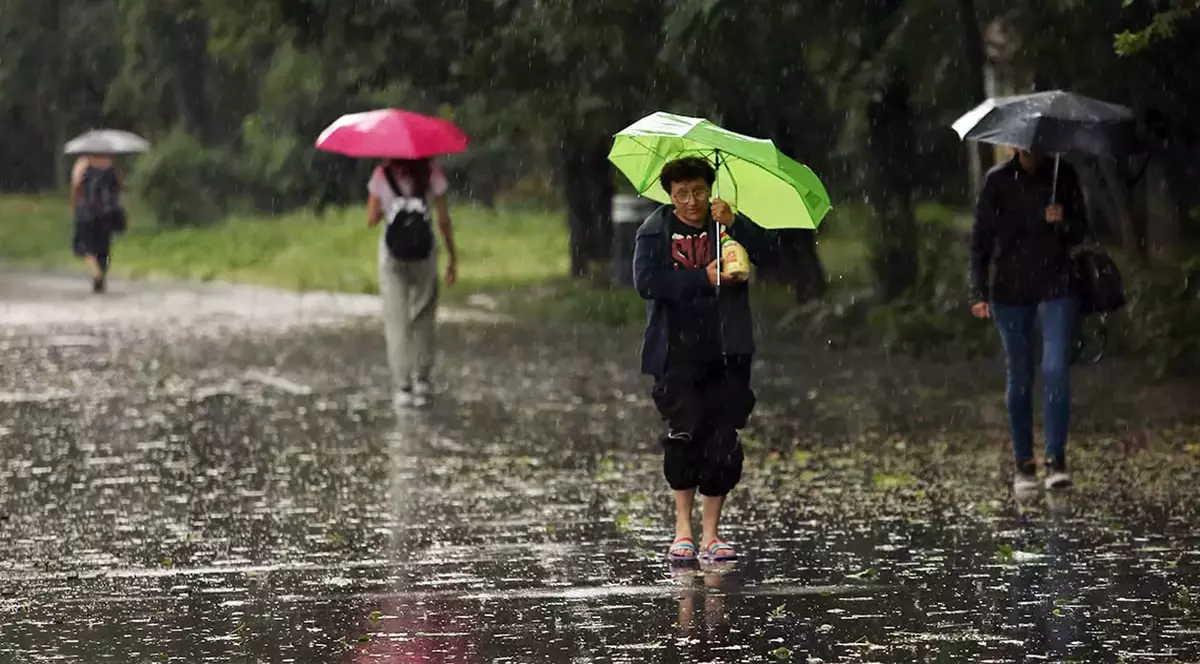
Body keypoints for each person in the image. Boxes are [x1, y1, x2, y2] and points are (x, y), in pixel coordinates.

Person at [632, 156, 781, 563]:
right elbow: (647, 282)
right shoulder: (656, 230)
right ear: (670, 195)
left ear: (709, 189)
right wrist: (704, 278)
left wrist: (736, 223)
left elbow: (773, 253)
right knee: (685, 433)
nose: (691, 201)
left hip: (728, 348)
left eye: (698, 191)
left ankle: (712, 535)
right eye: (681, 194)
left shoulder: (726, 224)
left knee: (722, 440)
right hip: (676, 351)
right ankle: (682, 530)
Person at [970, 149, 1089, 493]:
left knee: (1054, 368)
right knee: (1019, 374)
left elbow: (1083, 230)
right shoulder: (997, 181)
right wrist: (977, 292)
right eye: (1022, 144)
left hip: (1057, 287)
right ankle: (1024, 463)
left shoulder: (1061, 175)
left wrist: (1062, 220)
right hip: (1010, 291)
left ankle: (1056, 459)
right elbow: (980, 241)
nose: (1029, 150)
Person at [367, 158, 458, 408]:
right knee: (423, 315)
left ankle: (403, 386)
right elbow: (443, 221)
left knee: (396, 320)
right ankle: (422, 380)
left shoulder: (381, 175)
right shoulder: (432, 174)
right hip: (424, 254)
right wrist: (452, 256)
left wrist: (393, 205)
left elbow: (371, 218)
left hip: (392, 255)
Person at [70, 154, 126, 294]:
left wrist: (75, 206)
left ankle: (96, 273)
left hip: (87, 211)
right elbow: (119, 186)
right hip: (107, 213)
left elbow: (76, 185)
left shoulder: (83, 163)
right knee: (104, 246)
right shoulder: (111, 163)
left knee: (85, 246)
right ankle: (101, 276)